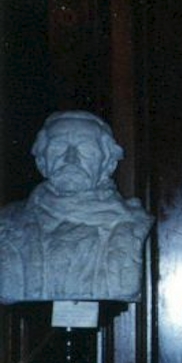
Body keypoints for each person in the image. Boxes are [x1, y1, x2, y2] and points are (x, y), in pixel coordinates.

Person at [0, 110, 153, 303]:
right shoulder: (8, 224)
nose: (71, 159)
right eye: (58, 147)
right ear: (41, 162)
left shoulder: (132, 225)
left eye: (86, 149)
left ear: (108, 164)